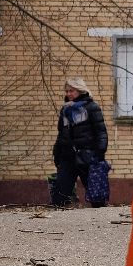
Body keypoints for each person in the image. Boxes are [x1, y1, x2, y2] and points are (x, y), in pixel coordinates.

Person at [52, 78, 109, 208]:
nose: (68, 94)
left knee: (96, 195)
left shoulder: (92, 108)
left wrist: (99, 153)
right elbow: (61, 133)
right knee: (59, 194)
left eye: (71, 91)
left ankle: (100, 222)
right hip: (67, 156)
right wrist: (57, 153)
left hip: (87, 156)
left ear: (80, 90)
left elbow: (101, 132)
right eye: (66, 91)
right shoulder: (65, 110)